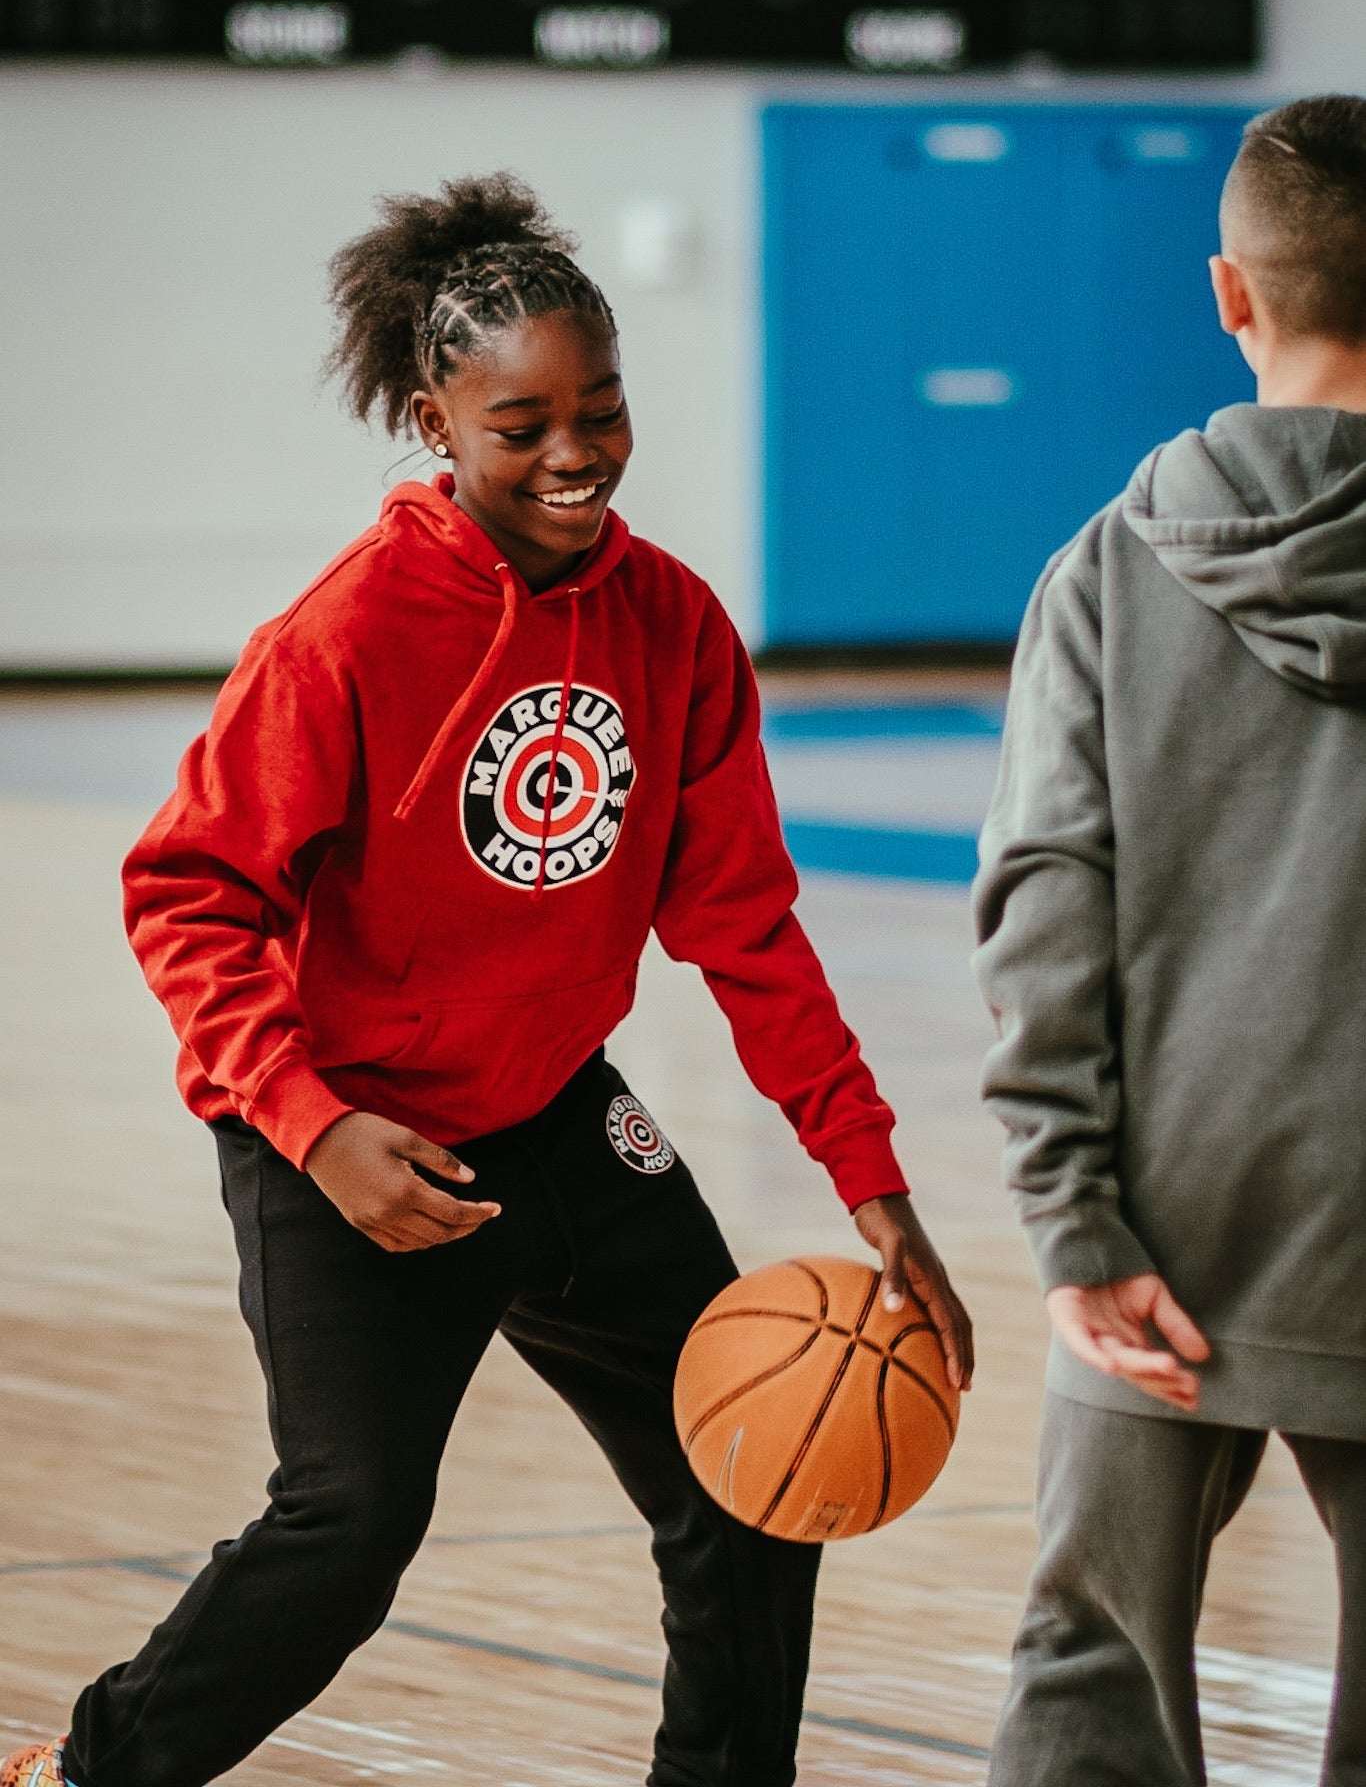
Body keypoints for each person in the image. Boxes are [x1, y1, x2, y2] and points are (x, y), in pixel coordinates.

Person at [1, 173, 972, 1787]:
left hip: (555, 1110)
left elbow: (746, 926)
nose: (575, 451)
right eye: (522, 425)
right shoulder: (344, 636)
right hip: (352, 1136)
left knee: (752, 1475)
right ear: (430, 416)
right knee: (350, 1526)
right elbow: (185, 896)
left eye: (600, 408)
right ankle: (90, 1774)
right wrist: (313, 1130)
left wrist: (872, 1186)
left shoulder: (672, 627)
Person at [973, 94, 1366, 1786]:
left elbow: (1044, 902)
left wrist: (1069, 1219)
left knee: (1091, 1679)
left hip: (1166, 1236)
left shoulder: (1105, 575)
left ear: (1229, 295)